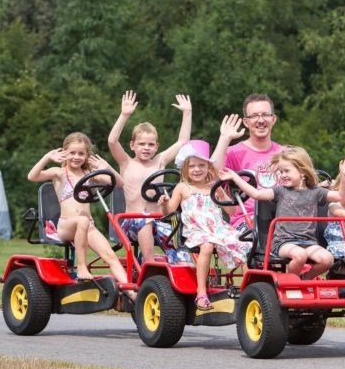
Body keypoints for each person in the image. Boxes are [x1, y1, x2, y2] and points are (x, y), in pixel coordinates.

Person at [27, 132, 135, 300]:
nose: (76, 157)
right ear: (65, 152)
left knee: (111, 257)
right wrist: (47, 157)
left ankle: (132, 293)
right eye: (72, 153)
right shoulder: (59, 173)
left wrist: (107, 167)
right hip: (66, 225)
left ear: (86, 155)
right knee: (82, 220)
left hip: (88, 226)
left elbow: (119, 183)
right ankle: (82, 267)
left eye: (81, 153)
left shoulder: (89, 175)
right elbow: (32, 176)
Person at [221, 147, 345, 279]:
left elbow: (342, 196)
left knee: (327, 259)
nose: (282, 175)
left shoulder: (316, 192)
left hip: (308, 242)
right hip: (284, 242)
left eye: (287, 171)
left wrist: (344, 176)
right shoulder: (280, 191)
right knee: (300, 255)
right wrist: (235, 177)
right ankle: (291, 282)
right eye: (281, 171)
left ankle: (303, 280)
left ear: (302, 172)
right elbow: (256, 194)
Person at [158, 140, 251, 311]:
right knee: (207, 246)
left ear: (208, 167)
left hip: (218, 228)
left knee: (245, 244)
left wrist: (221, 193)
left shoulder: (213, 187)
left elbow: (231, 211)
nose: (197, 169)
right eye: (192, 166)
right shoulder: (182, 188)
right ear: (185, 169)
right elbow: (168, 212)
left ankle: (249, 290)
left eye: (201, 165)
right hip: (196, 230)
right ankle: (201, 293)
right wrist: (164, 203)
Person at [108, 90, 192, 265]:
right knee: (144, 219)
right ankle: (149, 263)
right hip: (132, 222)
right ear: (132, 145)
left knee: (178, 233)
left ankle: (183, 267)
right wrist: (124, 115)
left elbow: (183, 141)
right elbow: (112, 141)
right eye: (142, 144)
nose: (146, 148)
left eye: (151, 144)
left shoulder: (160, 162)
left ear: (157, 146)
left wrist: (187, 113)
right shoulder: (126, 163)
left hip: (158, 220)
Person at [211, 93, 283, 231]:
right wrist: (224, 138)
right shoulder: (232, 153)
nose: (260, 120)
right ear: (245, 122)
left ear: (273, 119)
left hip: (283, 219)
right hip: (247, 222)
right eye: (254, 116)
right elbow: (211, 177)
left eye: (265, 115)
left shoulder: (286, 153)